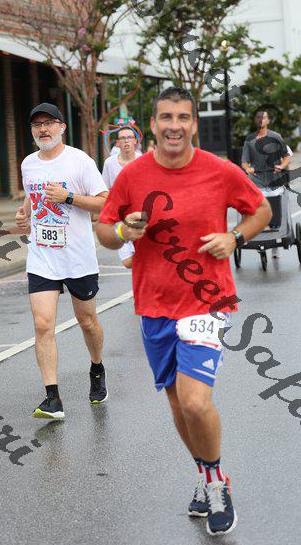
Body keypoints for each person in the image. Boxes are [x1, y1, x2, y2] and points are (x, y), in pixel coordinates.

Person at [96, 87, 271, 536]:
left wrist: (234, 238)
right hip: (154, 303)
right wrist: (124, 230)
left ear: (194, 124)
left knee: (195, 401)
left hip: (207, 300)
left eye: (183, 117)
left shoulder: (220, 170)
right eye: (166, 117)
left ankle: (215, 482)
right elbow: (106, 232)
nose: (174, 125)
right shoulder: (132, 175)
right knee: (177, 403)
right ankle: (204, 470)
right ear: (152, 125)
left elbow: (262, 209)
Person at [15, 103, 109, 420]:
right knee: (43, 325)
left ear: (62, 127)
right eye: (37, 125)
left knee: (87, 322)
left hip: (78, 257)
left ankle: (97, 367)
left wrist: (68, 197)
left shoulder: (80, 161)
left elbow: (105, 203)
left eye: (49, 123)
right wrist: (24, 214)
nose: (43, 129)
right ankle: (52, 399)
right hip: (42, 257)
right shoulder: (28, 164)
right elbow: (31, 195)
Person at [242, 109, 291, 258]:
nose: (261, 120)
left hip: (274, 181)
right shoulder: (249, 140)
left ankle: (274, 242)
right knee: (258, 209)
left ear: (268, 120)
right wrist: (248, 168)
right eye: (258, 118)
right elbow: (244, 162)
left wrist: (282, 166)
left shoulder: (276, 137)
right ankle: (262, 237)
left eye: (264, 118)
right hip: (257, 182)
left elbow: (286, 156)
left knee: (276, 209)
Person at [102, 125, 142, 269]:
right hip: (120, 218)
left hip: (141, 216)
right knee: (127, 262)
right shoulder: (109, 163)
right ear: (118, 142)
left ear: (135, 141)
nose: (126, 141)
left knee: (144, 253)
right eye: (122, 138)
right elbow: (105, 189)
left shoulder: (143, 160)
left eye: (129, 137)